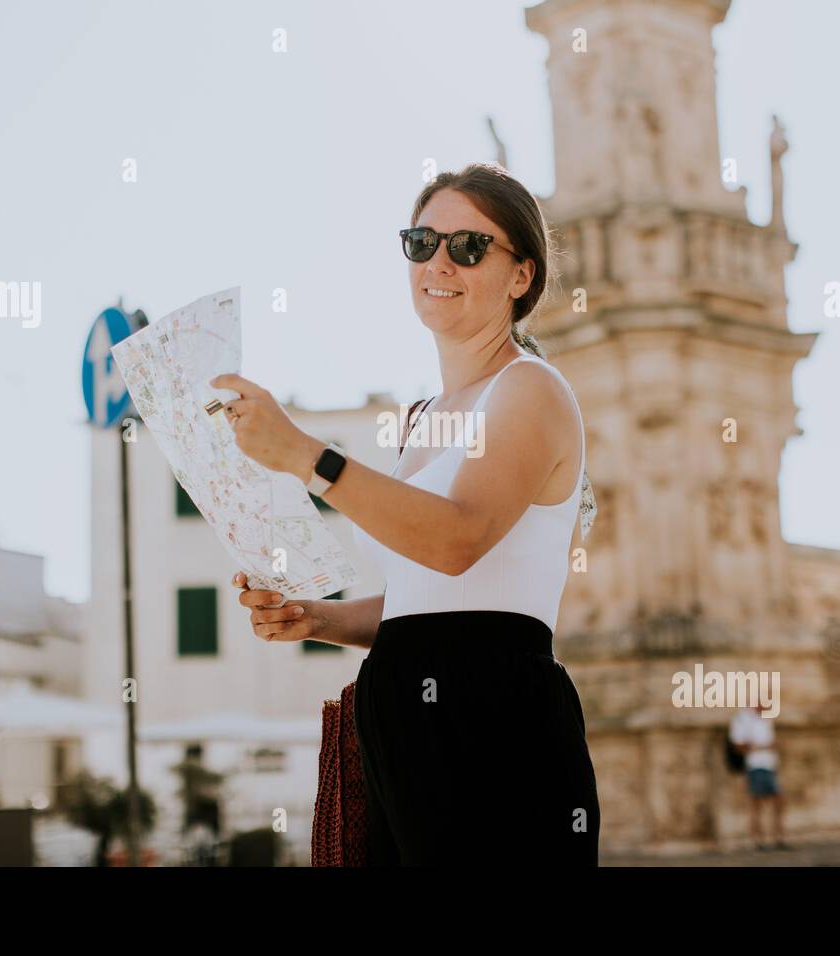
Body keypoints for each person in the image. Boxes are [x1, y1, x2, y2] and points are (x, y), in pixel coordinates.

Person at [220, 162, 600, 865]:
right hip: (402, 725)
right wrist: (318, 619)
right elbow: (430, 598)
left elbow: (456, 540)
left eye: (468, 246)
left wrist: (306, 456)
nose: (439, 262)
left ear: (522, 275)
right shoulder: (421, 418)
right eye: (423, 242)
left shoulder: (531, 390)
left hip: (491, 718)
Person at [728, 702, 787, 851]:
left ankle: (778, 838)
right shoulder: (743, 718)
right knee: (757, 804)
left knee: (778, 801)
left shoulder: (767, 719)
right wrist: (765, 746)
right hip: (755, 766)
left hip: (769, 765)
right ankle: (757, 841)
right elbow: (739, 746)